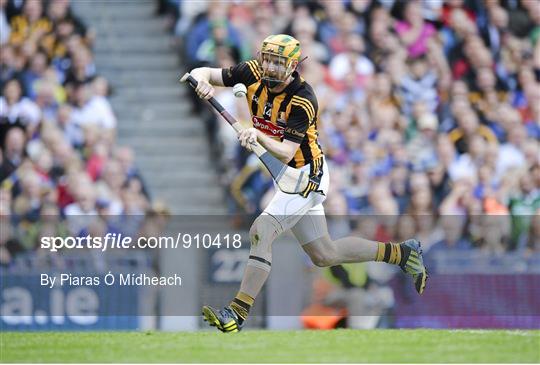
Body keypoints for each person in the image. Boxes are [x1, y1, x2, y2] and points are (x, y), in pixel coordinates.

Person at [188, 34, 428, 333]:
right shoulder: (250, 71)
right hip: (284, 176)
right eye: (268, 59)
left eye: (279, 62)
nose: (271, 67)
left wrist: (256, 134)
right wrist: (200, 80)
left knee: (262, 230)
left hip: (304, 176)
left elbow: (287, 151)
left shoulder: (303, 98)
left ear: (292, 66)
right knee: (324, 254)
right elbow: (205, 72)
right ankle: (403, 253)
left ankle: (237, 313)